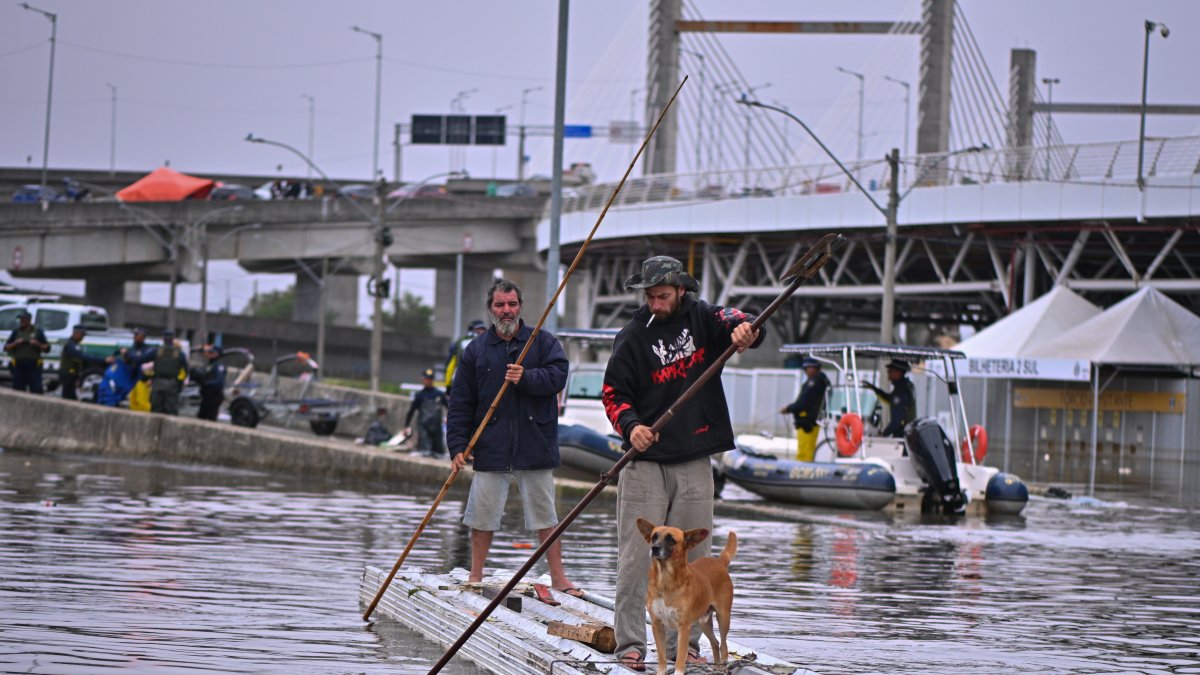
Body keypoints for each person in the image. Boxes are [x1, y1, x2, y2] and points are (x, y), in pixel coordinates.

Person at [601, 255, 762, 671]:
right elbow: (613, 395)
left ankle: (682, 647)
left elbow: (738, 321)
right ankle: (631, 642)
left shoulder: (705, 318)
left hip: (694, 455)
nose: (656, 303)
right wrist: (631, 426)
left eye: (664, 296)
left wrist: (747, 331)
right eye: (650, 296)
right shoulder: (633, 336)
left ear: (681, 291)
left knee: (694, 557)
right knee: (638, 558)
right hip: (645, 461)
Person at [447, 279, 579, 596]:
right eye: (500, 305)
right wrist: (457, 446)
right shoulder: (475, 351)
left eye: (512, 304)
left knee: (546, 515)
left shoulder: (544, 342)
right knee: (482, 516)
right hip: (491, 447)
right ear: (490, 309)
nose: (506, 310)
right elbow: (460, 403)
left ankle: (559, 578)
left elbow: (559, 376)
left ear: (520, 306)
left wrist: (527, 377)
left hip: (536, 444)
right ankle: (476, 575)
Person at [780, 357, 832, 461]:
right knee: (807, 450)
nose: (806, 371)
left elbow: (803, 403)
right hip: (812, 422)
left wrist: (788, 408)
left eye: (807, 368)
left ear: (814, 368)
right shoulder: (822, 381)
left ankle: (802, 472)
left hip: (807, 423)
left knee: (805, 453)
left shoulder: (814, 383)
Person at [861, 359, 916, 438]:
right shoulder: (905, 386)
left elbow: (896, 421)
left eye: (891, 370)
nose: (888, 372)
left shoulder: (900, 392)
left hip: (902, 435)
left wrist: (883, 435)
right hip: (907, 434)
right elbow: (889, 399)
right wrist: (874, 389)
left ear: (898, 372)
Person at [405, 368, 448, 457]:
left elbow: (449, 407)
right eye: (426, 379)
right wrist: (406, 426)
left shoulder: (439, 394)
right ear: (423, 380)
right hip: (424, 427)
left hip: (436, 427)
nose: (428, 381)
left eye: (430, 379)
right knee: (425, 451)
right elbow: (411, 411)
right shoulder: (419, 395)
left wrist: (450, 417)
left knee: (439, 453)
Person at [4, 310, 50, 393]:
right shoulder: (16, 332)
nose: (21, 322)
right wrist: (15, 343)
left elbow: (47, 348)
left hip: (33, 366)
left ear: (28, 320)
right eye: (20, 320)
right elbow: (6, 347)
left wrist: (37, 344)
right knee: (18, 389)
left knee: (36, 389)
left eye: (23, 320)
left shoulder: (38, 332)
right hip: (19, 365)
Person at [443, 319, 488, 394]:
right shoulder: (488, 342)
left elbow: (450, 366)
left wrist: (448, 386)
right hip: (481, 384)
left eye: (483, 329)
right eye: (479, 330)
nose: (482, 332)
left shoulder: (459, 343)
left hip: (461, 383)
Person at [149, 330, 188, 415]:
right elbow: (186, 371)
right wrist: (179, 382)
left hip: (161, 383)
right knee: (168, 408)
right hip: (170, 383)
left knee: (159, 407)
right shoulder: (179, 353)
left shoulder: (158, 351)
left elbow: (185, 371)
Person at [195, 344, 227, 421]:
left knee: (210, 418)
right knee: (201, 416)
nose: (209, 354)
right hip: (207, 395)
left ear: (216, 354)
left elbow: (219, 382)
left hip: (214, 396)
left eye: (211, 353)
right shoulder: (212, 363)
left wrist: (206, 383)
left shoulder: (219, 365)